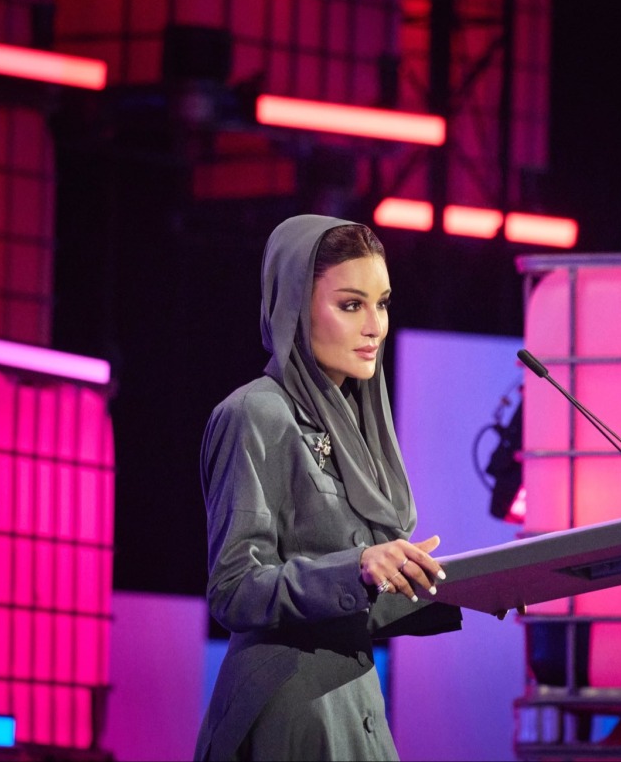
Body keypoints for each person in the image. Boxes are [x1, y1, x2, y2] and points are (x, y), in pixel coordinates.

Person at [194, 214, 463, 761]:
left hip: (355, 708)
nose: (375, 326)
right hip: (288, 712)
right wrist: (357, 567)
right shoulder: (255, 414)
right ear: (295, 308)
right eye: (351, 305)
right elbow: (234, 588)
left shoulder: (357, 425)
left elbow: (356, 600)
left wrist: (479, 588)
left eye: (382, 304)